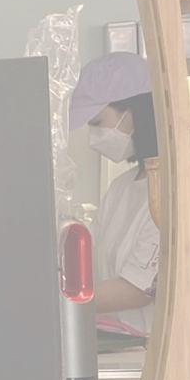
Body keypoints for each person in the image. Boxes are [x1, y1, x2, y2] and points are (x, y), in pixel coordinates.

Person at [70, 51, 161, 340]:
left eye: (97, 123)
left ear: (132, 113)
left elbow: (138, 290)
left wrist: (58, 302)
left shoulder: (176, 187)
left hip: (159, 347)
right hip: (121, 344)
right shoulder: (121, 187)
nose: (92, 137)